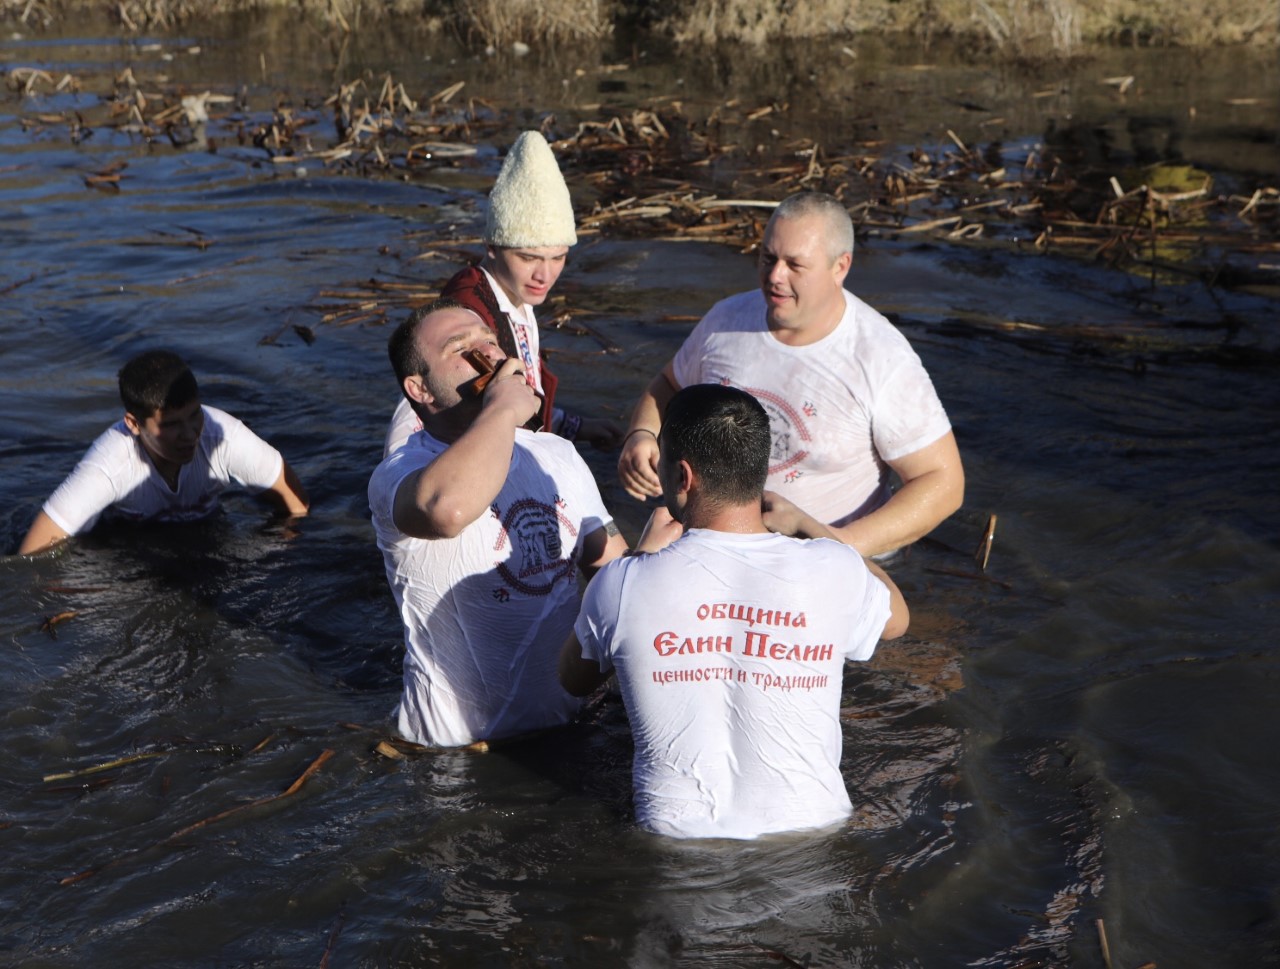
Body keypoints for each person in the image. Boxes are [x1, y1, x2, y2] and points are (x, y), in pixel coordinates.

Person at [560, 384, 909, 840]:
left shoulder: (622, 583)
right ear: (758, 467)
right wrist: (808, 525)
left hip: (677, 841)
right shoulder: (833, 567)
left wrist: (640, 556)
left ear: (682, 475)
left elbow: (572, 679)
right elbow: (897, 619)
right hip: (812, 830)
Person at [616, 191, 964, 558]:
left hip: (818, 567)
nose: (775, 276)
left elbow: (943, 483)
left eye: (795, 265)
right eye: (768, 258)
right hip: (713, 550)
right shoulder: (726, 321)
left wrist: (838, 545)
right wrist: (641, 435)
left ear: (840, 266)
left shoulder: (881, 358)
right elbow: (670, 385)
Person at [369, 299, 629, 749]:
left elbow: (612, 572)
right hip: (457, 756)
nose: (487, 354)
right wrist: (504, 410)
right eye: (460, 349)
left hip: (567, 732)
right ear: (421, 389)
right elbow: (445, 510)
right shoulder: (400, 473)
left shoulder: (556, 455)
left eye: (490, 341)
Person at [384, 130, 622, 456]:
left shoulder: (516, 295)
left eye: (558, 257)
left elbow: (513, 391)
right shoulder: (469, 309)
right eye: (528, 257)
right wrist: (402, 486)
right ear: (492, 246)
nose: (545, 275)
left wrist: (573, 427)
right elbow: (419, 408)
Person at [17, 350, 309, 555]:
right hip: (129, 546)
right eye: (171, 425)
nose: (190, 433)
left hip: (207, 534)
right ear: (133, 424)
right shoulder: (109, 465)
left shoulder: (226, 437)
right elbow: (33, 555)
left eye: (195, 415)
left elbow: (297, 507)